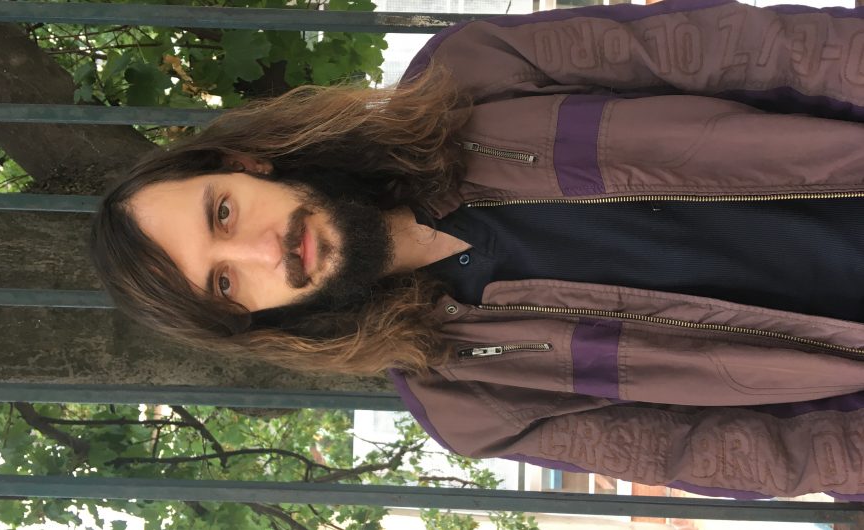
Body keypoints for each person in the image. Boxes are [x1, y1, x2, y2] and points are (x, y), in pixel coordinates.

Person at [91, 0, 864, 500]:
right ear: (250, 320)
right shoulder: (468, 403)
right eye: (225, 283)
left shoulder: (472, 72)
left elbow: (744, 51)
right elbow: (727, 451)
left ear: (246, 164)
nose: (265, 252)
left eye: (223, 214)